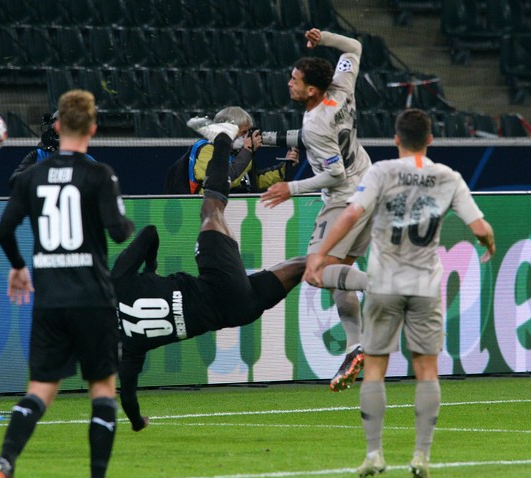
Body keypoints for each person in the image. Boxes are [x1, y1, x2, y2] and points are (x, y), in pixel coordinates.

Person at [303, 109, 496, 478]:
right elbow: (479, 226)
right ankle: (421, 456)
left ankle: (374, 454)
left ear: (395, 139)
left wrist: (320, 255)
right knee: (426, 370)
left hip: (384, 284)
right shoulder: (447, 177)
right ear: (431, 140)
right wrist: (489, 243)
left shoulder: (381, 172)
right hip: (424, 287)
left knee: (375, 368)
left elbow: (350, 216)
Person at [115, 116, 334, 432]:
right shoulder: (117, 281)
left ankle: (352, 262)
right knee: (211, 209)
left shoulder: (126, 345)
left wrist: (137, 422)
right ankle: (221, 138)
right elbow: (148, 232)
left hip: (237, 311)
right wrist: (150, 270)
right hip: (218, 284)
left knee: (305, 264)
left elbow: (128, 394)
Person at [0, 89, 134, 478]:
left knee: (39, 390)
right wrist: (121, 215)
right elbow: (120, 232)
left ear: (56, 126)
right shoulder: (99, 174)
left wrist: (18, 266)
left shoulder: (30, 177)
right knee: (102, 389)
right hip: (92, 298)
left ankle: (4, 462)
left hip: (49, 299)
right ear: (92, 127)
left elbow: (4, 230)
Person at [259, 29, 373, 391]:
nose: (289, 83)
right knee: (340, 275)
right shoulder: (341, 87)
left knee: (315, 271)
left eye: (295, 80)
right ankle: (357, 346)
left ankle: (383, 287)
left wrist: (290, 188)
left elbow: (333, 172)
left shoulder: (316, 122)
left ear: (311, 90)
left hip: (344, 200)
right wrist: (324, 37)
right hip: (369, 184)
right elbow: (353, 47)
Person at [164, 106, 298, 194]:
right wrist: (247, 151)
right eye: (243, 132)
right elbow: (223, 179)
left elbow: (252, 181)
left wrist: (283, 169)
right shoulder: (206, 149)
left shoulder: (236, 153)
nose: (246, 137)